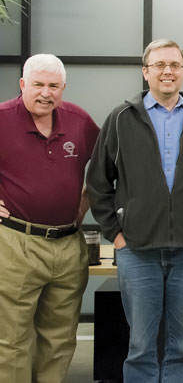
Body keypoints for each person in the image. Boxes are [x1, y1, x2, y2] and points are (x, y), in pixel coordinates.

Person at [87, 39, 183, 382]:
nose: (167, 71)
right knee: (140, 344)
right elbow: (98, 181)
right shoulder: (121, 119)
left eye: (175, 65)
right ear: (146, 72)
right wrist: (117, 235)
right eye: (159, 65)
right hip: (136, 251)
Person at [0, 54, 99, 383]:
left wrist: (84, 202)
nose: (46, 93)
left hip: (69, 244)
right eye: (38, 85)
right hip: (15, 243)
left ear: (63, 88)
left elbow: (107, 168)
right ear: (22, 85)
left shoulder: (79, 121)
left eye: (53, 86)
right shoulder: (1, 118)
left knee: (59, 338)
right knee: (12, 340)